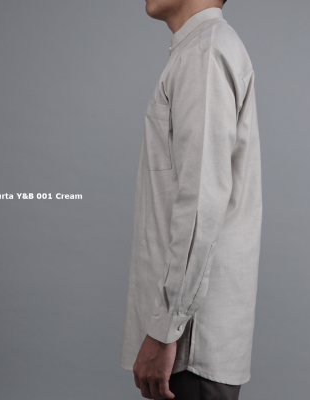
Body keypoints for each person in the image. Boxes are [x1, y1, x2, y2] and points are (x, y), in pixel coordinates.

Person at [119, 0, 262, 399]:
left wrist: (165, 329)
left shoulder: (205, 51)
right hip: (188, 338)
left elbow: (201, 201)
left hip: (189, 345)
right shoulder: (198, 48)